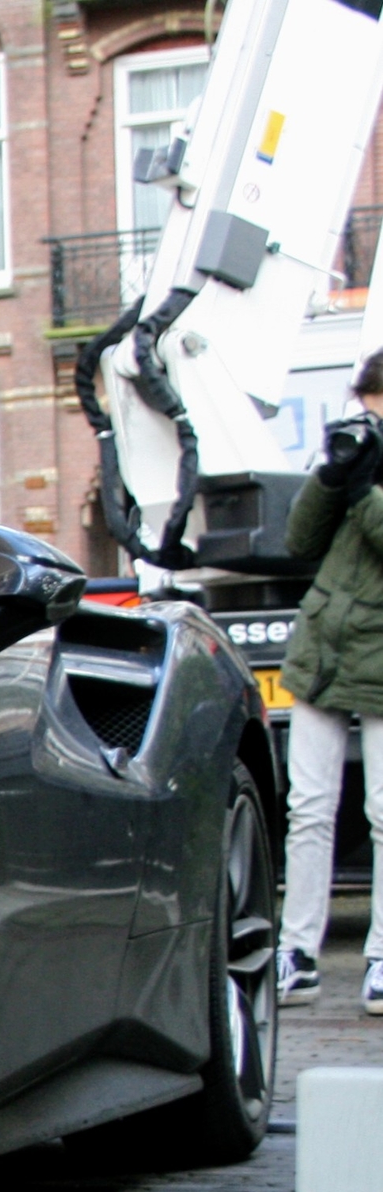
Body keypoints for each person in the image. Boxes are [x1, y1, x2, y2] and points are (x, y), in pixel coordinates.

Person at [277, 349, 383, 1016]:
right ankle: (297, 953)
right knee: (308, 809)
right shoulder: (359, 463)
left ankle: (382, 958)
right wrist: (331, 475)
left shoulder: (372, 482)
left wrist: (367, 488)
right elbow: (298, 540)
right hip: (323, 650)